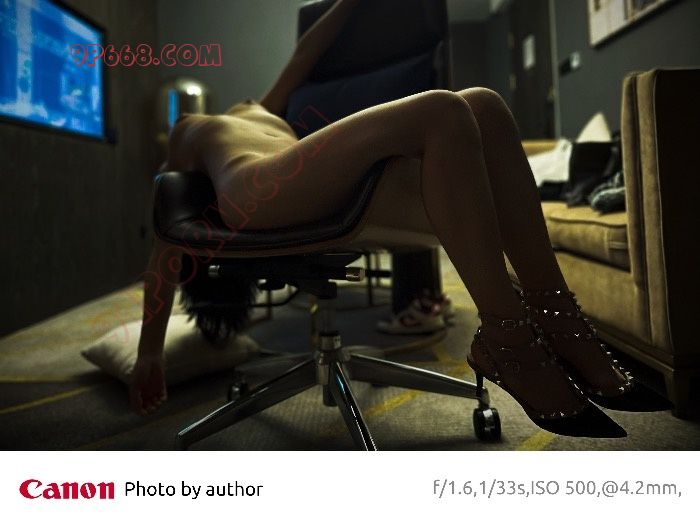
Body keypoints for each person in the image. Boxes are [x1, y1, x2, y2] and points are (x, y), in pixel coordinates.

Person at [132, 0, 660, 437]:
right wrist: (148, 354)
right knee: (441, 110)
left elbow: (305, 53)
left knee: (485, 106)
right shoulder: (192, 127)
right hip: (254, 191)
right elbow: (168, 236)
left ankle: (558, 318)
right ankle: (509, 339)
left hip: (308, 187)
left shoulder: (266, 107)